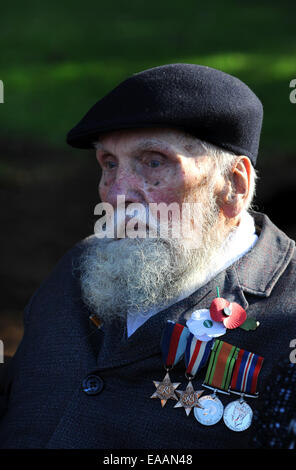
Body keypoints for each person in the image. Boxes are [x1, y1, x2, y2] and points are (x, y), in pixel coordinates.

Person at [0, 63, 295, 449]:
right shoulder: (79, 266)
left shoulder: (287, 315)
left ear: (233, 186)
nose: (118, 194)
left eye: (154, 162)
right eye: (109, 163)